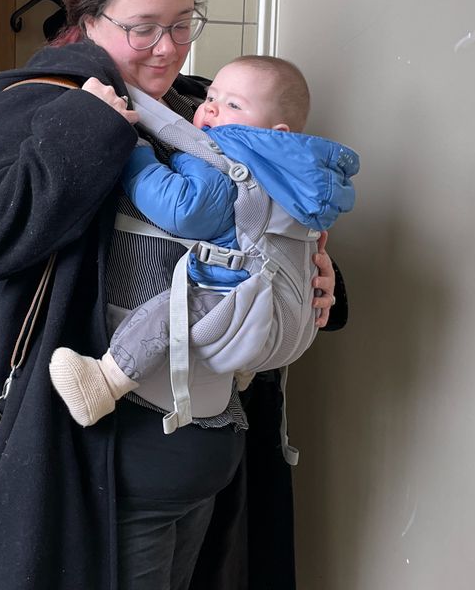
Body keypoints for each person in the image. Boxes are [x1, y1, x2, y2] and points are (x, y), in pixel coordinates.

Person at [0, 0, 346, 590]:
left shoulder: (205, 107)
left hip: (209, 453)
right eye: (144, 28)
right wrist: (94, 129)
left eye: (183, 24)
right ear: (89, 19)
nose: (168, 50)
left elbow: (267, 227)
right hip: (94, 466)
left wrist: (318, 281)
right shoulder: (42, 106)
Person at [48, 55, 357, 429]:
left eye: (232, 105)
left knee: (167, 312)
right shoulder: (301, 177)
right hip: (284, 323)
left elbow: (181, 207)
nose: (210, 106)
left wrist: (132, 150)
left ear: (278, 132)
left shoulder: (225, 159)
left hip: (233, 307)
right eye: (212, 96)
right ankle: (241, 367)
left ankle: (105, 381)